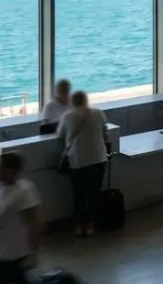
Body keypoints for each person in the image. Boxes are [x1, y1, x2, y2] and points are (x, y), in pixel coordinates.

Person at [56, 91, 108, 237]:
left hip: (78, 161)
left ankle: (79, 226)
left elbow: (59, 135)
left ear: (72, 102)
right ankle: (91, 226)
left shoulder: (67, 116)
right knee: (93, 195)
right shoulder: (98, 113)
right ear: (86, 100)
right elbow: (105, 134)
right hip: (98, 159)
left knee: (78, 195)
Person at [0, 153, 42, 283]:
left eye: (0, 167)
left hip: (17, 253)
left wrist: (33, 252)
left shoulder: (24, 190)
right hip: (2, 251)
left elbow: (34, 222)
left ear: (11, 171)